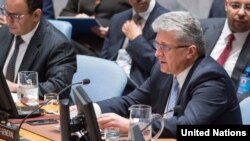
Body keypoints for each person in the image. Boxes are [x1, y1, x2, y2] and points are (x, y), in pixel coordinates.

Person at [97, 11, 242, 138]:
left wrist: (133, 125)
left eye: (164, 47)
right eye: (157, 45)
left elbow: (187, 126)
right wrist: (91, 109)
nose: (157, 53)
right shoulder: (164, 69)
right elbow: (131, 102)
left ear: (190, 51)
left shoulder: (211, 80)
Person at [0, 0, 76, 98]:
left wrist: (16, 88)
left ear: (36, 15)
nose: (8, 20)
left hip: (33, 109)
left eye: (16, 16)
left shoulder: (59, 45)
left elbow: (59, 87)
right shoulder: (4, 32)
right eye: (6, 12)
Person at [101, 0, 168, 94]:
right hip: (109, 83)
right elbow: (105, 59)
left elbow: (162, 67)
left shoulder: (167, 21)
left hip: (140, 89)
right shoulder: (117, 19)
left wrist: (136, 40)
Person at [200, 0, 250, 101]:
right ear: (226, 5)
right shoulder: (201, 29)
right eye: (235, 6)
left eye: (249, 8)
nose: (241, 13)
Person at [59, 0, 131, 56]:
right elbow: (64, 13)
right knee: (59, 43)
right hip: (78, 41)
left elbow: (136, 18)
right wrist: (77, 16)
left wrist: (112, 31)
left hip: (107, 47)